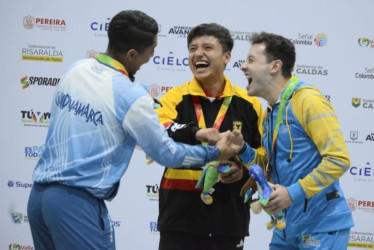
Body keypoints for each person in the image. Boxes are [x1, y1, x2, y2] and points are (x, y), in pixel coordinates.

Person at [26, 11, 241, 250]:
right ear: (131, 54)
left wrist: (142, 107)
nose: (150, 58)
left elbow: (104, 105)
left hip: (38, 198)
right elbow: (167, 154)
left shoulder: (77, 68)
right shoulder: (131, 95)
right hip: (77, 203)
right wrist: (215, 153)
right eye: (152, 51)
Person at [236, 31, 354, 249]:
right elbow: (269, 167)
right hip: (287, 227)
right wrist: (242, 149)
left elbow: (339, 159)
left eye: (251, 60)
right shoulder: (271, 112)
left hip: (321, 226)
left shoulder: (309, 100)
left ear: (275, 66)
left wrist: (293, 193)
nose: (243, 66)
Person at [155, 23, 264, 250]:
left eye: (207, 47)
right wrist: (196, 132)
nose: (198, 54)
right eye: (192, 48)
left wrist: (242, 171)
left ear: (226, 57)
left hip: (229, 219)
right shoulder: (175, 97)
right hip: (179, 219)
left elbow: (264, 156)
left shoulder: (250, 104)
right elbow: (157, 129)